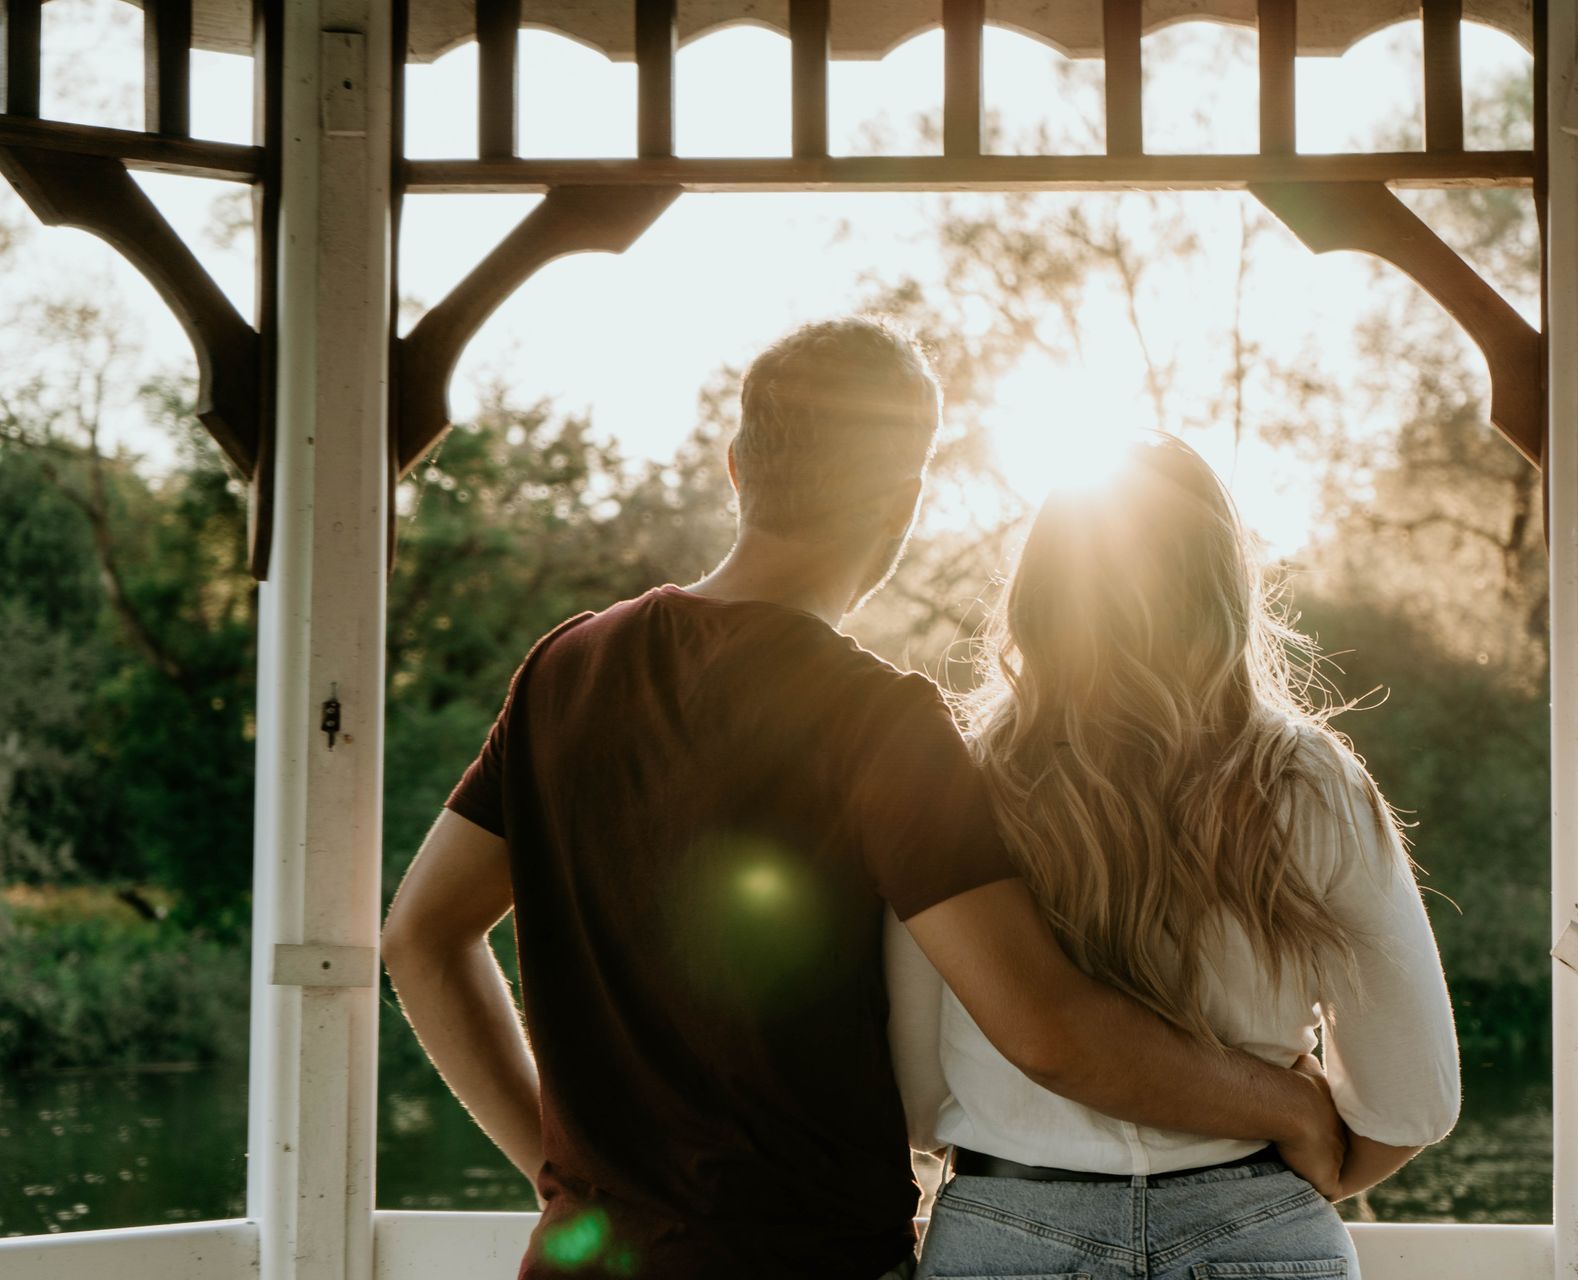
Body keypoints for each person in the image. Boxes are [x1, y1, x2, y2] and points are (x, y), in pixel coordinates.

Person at [380, 319, 1347, 1280]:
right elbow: (1048, 1031)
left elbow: (421, 937)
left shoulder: (566, 668)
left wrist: (565, 1179)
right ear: (904, 502)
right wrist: (1284, 1103)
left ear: (735, 467)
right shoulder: (879, 721)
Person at [891, 434, 1461, 1279]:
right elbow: (1413, 1097)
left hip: (1009, 1230)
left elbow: (916, 1091)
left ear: (1041, 591)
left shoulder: (955, 781)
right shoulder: (1306, 778)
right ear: (1223, 586)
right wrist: (1297, 1166)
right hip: (1258, 1223)